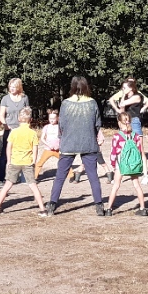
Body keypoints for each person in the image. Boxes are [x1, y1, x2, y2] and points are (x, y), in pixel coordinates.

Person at [47, 76, 106, 216]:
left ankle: (52, 204)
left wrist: (62, 138)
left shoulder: (66, 103)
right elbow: (97, 124)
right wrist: (93, 135)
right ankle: (99, 205)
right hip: (89, 142)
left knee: (60, 175)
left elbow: (61, 125)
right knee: (93, 175)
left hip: (69, 142)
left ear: (72, 86)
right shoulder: (92, 103)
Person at [0, 108, 46, 214]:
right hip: (28, 162)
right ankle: (42, 209)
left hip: (15, 161)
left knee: (7, 185)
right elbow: (35, 148)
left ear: (18, 119)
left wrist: (9, 160)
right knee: (33, 185)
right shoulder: (32, 133)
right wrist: (34, 160)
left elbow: (9, 147)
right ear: (31, 120)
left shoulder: (14, 132)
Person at [104, 111, 148, 216]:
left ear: (119, 123)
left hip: (121, 164)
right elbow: (139, 151)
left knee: (116, 186)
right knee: (137, 185)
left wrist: (113, 164)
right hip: (133, 164)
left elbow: (113, 152)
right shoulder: (136, 136)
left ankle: (109, 209)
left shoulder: (117, 136)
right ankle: (142, 208)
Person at [0, 78, 30, 183]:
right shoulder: (5, 99)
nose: (11, 89)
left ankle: (24, 177)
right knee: (5, 153)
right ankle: (1, 178)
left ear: (19, 87)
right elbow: (1, 115)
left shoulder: (24, 98)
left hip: (22, 128)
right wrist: (5, 126)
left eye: (14, 87)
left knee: (23, 151)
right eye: (10, 86)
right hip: (9, 128)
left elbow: (28, 113)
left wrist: (27, 126)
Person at [34, 108, 61, 180]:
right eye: (50, 118)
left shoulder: (60, 127)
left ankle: (71, 175)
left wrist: (59, 145)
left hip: (58, 149)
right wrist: (48, 145)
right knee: (40, 163)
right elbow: (42, 138)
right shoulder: (46, 127)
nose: (52, 120)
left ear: (57, 118)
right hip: (48, 149)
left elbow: (63, 138)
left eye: (53, 118)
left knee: (64, 162)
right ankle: (34, 177)